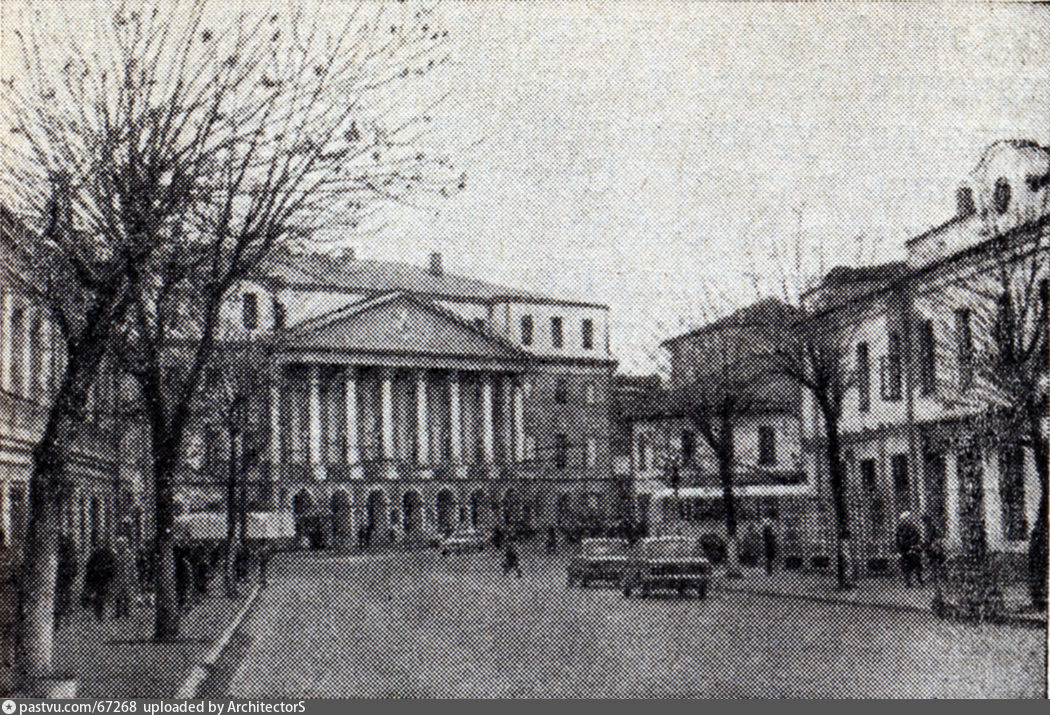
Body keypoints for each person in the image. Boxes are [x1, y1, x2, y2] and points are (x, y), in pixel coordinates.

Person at [82, 543, 116, 622]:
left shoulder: (107, 554)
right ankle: (97, 615)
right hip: (96, 579)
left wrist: (110, 577)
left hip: (102, 579)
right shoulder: (97, 554)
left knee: (100, 597)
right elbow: (89, 567)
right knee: (98, 597)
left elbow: (112, 567)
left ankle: (99, 615)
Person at [53, 534, 78, 630]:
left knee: (62, 600)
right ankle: (64, 621)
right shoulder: (70, 557)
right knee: (65, 600)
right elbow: (75, 568)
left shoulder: (64, 557)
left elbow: (74, 568)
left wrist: (71, 576)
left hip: (63, 580)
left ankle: (62, 621)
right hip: (65, 580)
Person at [894, 512, 923, 587]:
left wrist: (915, 545)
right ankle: (908, 582)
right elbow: (899, 540)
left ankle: (919, 580)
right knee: (906, 566)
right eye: (906, 519)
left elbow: (916, 537)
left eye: (909, 519)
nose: (908, 520)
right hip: (904, 550)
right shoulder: (900, 529)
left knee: (917, 564)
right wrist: (900, 550)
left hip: (913, 549)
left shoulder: (913, 528)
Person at [112, 537, 136, 619]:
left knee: (127, 596)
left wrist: (133, 577)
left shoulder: (129, 555)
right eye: (119, 544)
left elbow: (133, 567)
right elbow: (113, 567)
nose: (120, 546)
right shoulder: (115, 555)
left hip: (127, 578)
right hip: (117, 579)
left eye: (122, 544)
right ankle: (118, 612)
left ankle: (127, 612)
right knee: (117, 596)